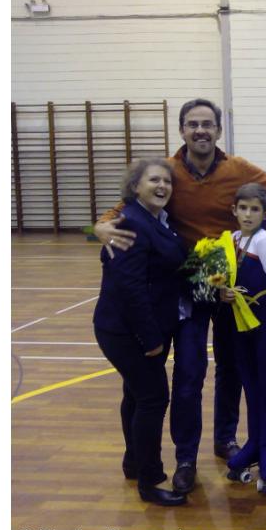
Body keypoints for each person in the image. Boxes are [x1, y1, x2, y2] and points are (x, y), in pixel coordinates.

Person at [93, 99, 266, 494]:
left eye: (207, 124)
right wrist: (100, 226)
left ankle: (226, 438)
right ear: (182, 129)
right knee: (190, 373)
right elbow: (126, 207)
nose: (201, 130)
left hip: (240, 287)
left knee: (233, 368)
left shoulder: (239, 169)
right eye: (193, 124)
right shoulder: (167, 172)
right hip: (194, 287)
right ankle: (186, 459)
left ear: (218, 130)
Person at [92, 158, 188, 506]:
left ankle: (133, 462)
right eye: (154, 180)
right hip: (126, 330)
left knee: (135, 394)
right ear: (135, 187)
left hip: (137, 327)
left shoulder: (157, 220)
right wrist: (150, 339)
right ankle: (150, 480)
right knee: (153, 398)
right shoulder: (131, 223)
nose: (162, 186)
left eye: (167, 181)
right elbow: (130, 288)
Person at [218, 184, 266, 495]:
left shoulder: (263, 240)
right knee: (249, 385)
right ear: (234, 210)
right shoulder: (231, 240)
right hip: (238, 323)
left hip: (264, 322)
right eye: (243, 208)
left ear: (264, 213)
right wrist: (224, 292)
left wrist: (258, 299)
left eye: (255, 209)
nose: (248, 214)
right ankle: (255, 444)